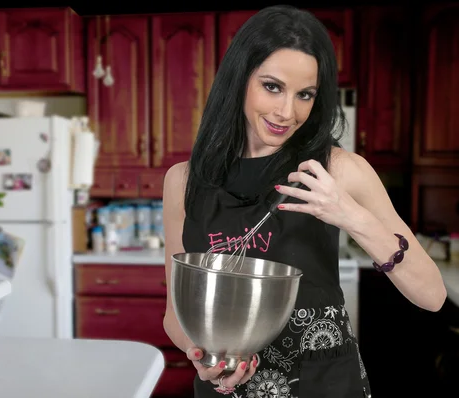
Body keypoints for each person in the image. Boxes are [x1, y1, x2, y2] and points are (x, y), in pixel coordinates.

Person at [162, 5, 447, 398]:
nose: (286, 112)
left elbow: (432, 296)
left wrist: (351, 215)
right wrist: (204, 360)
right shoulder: (184, 181)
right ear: (240, 78)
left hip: (324, 384)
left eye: (305, 95)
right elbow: (176, 315)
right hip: (226, 389)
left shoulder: (339, 170)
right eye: (273, 86)